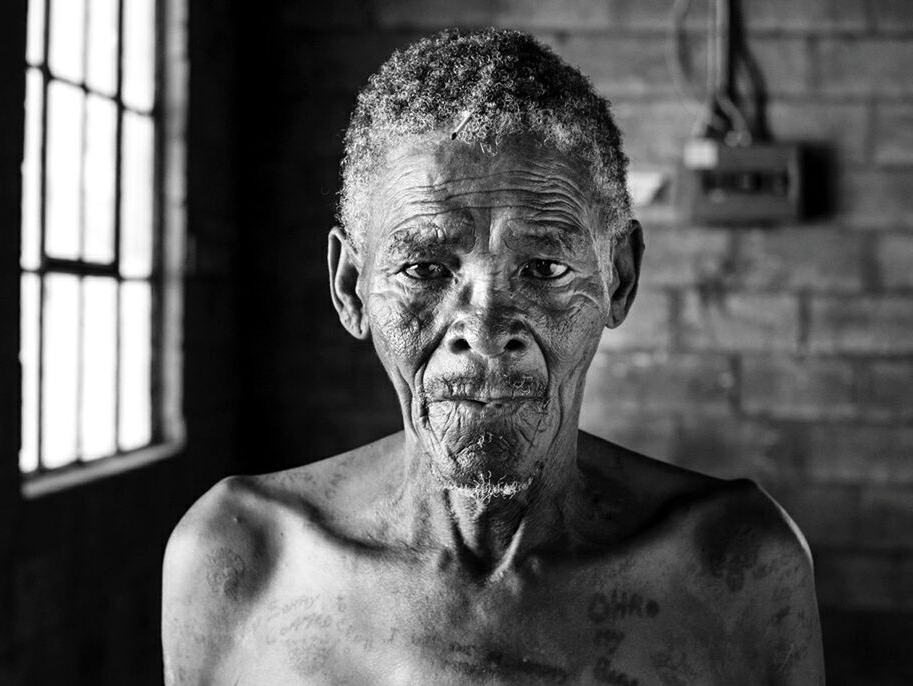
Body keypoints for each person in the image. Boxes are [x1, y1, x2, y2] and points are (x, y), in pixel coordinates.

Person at [162, 28, 824, 685]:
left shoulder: (734, 567)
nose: (482, 326)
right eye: (423, 268)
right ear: (349, 287)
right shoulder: (241, 557)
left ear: (618, 279)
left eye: (542, 267)